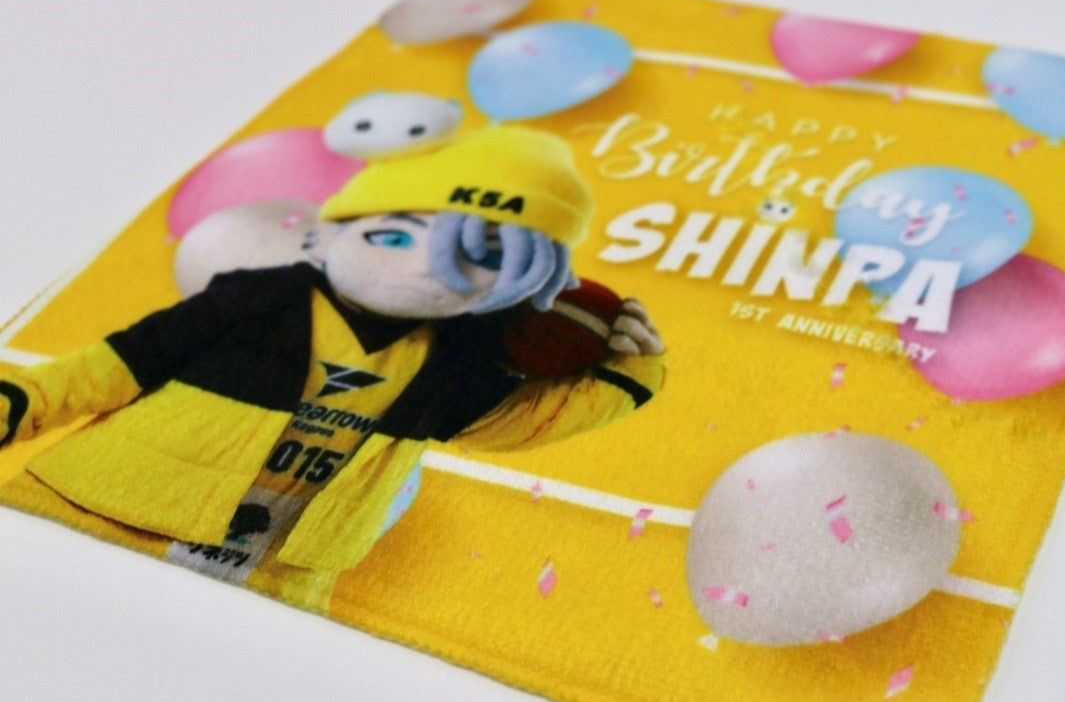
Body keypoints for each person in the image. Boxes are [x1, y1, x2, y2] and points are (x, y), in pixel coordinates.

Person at [0, 126, 665, 611]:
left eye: (481, 257)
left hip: (274, 575)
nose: (422, 269)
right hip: (94, 515)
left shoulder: (462, 355)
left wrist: (629, 371)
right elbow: (111, 366)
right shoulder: (257, 299)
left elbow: (512, 425)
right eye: (393, 236)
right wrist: (15, 402)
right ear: (335, 230)